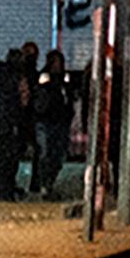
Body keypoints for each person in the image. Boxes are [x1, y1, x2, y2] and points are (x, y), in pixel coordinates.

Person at [0, 43, 34, 202]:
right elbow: (24, 100)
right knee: (9, 161)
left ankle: (0, 192)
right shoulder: (18, 77)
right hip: (11, 125)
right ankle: (7, 192)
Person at [30, 48, 75, 200]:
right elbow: (41, 96)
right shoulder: (44, 77)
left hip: (61, 121)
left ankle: (49, 183)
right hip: (46, 121)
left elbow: (69, 96)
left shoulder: (64, 78)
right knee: (45, 153)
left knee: (58, 154)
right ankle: (43, 185)